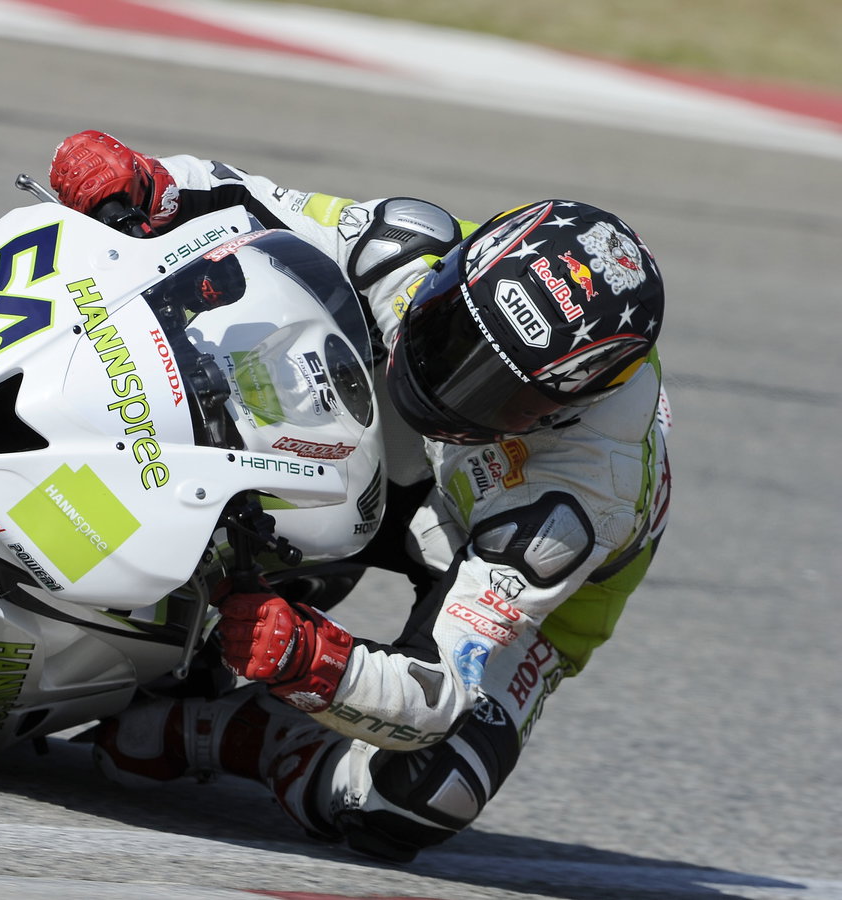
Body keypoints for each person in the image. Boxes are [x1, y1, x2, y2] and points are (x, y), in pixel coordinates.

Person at [49, 130, 672, 861]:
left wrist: (308, 658)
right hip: (391, 461)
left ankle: (233, 733)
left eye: (494, 393)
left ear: (562, 409)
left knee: (425, 794)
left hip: (496, 564)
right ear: (465, 267)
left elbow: (441, 694)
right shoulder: (417, 247)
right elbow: (242, 197)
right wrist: (143, 182)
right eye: (450, 329)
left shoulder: (574, 499)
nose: (446, 381)